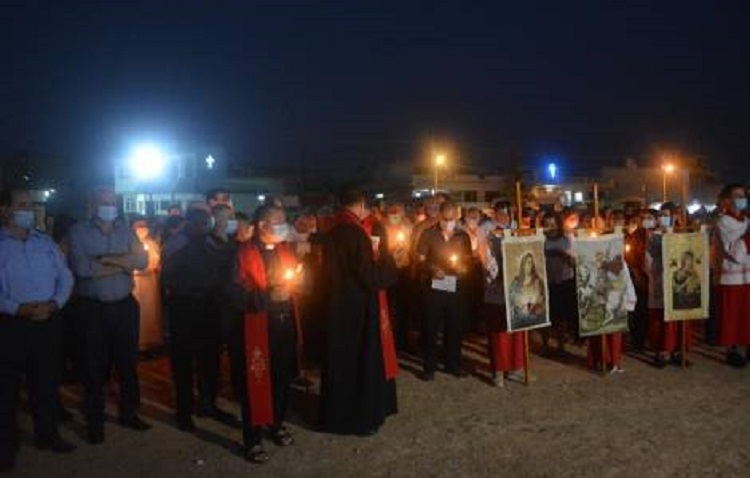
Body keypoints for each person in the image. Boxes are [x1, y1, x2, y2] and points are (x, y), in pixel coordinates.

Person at [0, 188, 76, 472]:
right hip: (11, 325)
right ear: (4, 210)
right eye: (21, 205)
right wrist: (15, 308)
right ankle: (6, 447)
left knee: (45, 383)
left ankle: (48, 435)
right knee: (7, 391)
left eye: (30, 206)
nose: (28, 210)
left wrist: (55, 304)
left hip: (47, 321)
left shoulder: (45, 243)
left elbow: (65, 278)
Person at [67, 186, 150, 444]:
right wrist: (122, 261)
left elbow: (142, 261)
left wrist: (103, 260)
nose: (110, 206)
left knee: (127, 362)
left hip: (124, 305)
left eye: (113, 202)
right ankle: (94, 418)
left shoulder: (125, 229)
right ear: (93, 204)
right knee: (94, 365)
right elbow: (81, 268)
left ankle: (129, 411)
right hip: (93, 309)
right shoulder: (79, 231)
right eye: (104, 202)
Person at [319, 189, 398, 436]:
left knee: (339, 360)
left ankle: (335, 415)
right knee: (360, 360)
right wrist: (390, 265)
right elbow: (367, 276)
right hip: (357, 307)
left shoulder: (331, 231)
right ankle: (361, 419)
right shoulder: (356, 234)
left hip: (334, 304)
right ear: (361, 205)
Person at [228, 204, 299, 463]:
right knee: (255, 380)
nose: (282, 226)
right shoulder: (242, 255)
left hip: (284, 323)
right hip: (256, 325)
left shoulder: (284, 251)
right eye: (276, 221)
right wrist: (267, 296)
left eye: (284, 221)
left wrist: (299, 282)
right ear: (261, 226)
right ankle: (252, 438)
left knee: (282, 376)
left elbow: (301, 278)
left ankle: (276, 422)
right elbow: (234, 294)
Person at [161, 208, 234, 431]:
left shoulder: (212, 242)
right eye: (202, 223)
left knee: (210, 359)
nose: (206, 226)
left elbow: (225, 263)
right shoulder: (176, 244)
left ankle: (208, 403)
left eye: (208, 223)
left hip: (210, 307)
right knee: (183, 362)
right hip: (185, 306)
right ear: (190, 223)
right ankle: (183, 412)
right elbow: (167, 279)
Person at [416, 200, 472, 380]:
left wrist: (464, 267)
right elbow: (419, 258)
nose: (448, 221)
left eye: (452, 218)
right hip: (434, 287)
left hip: (456, 287)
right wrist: (431, 269)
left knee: (455, 327)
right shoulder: (428, 234)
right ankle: (429, 366)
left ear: (457, 217)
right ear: (439, 216)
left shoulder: (463, 236)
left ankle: (453, 363)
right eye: (445, 218)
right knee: (430, 327)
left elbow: (469, 259)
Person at [478, 216, 526, 387]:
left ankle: (516, 368)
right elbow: (488, 266)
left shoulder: (517, 235)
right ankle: (498, 371)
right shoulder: (486, 241)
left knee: (517, 333)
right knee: (499, 335)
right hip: (496, 295)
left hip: (516, 294)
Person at [646, 202, 692, 367]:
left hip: (679, 281)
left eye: (666, 215)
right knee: (662, 318)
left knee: (679, 316)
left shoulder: (682, 233)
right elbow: (649, 259)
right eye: (661, 215)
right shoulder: (653, 235)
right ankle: (662, 351)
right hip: (660, 278)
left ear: (674, 216)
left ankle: (679, 350)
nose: (662, 218)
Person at [713, 183, 750, 367]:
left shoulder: (746, 220)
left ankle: (746, 346)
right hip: (731, 278)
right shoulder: (723, 222)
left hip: (748, 277)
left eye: (743, 195)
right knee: (732, 317)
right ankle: (732, 350)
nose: (742, 198)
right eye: (737, 195)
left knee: (746, 316)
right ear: (727, 200)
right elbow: (735, 254)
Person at [543, 213, 576, 354]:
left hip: (564, 279)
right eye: (547, 224)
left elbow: (574, 260)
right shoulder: (542, 239)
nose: (550, 227)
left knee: (562, 315)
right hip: (548, 280)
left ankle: (561, 343)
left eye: (553, 223)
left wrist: (563, 255)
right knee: (548, 314)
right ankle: (545, 343)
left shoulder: (567, 239)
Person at [132, 219, 163, 352]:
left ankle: (152, 341)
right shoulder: (129, 244)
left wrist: (151, 267)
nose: (142, 228)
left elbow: (157, 261)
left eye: (144, 226)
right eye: (138, 226)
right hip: (136, 284)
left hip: (150, 284)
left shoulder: (151, 243)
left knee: (151, 311)